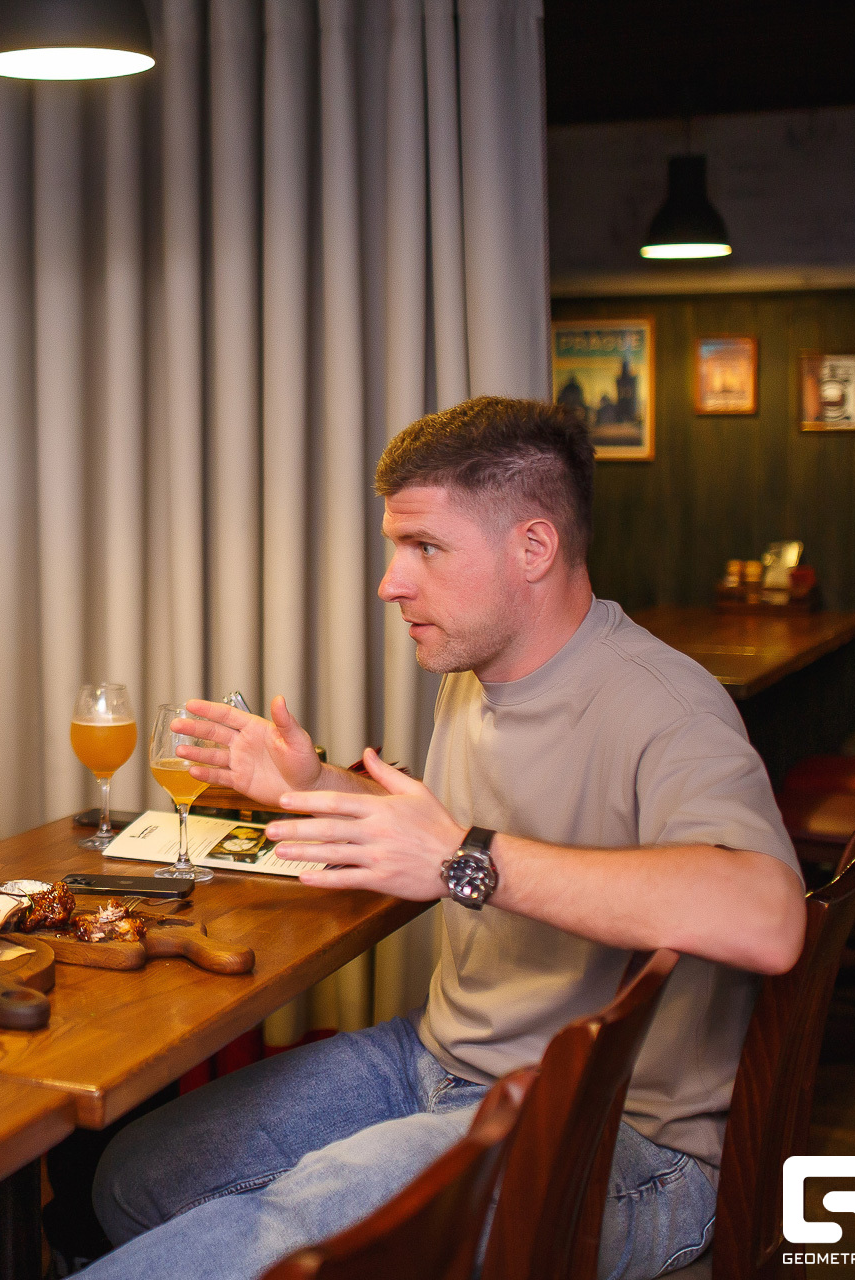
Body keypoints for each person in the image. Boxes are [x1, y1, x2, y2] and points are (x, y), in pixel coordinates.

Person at [84, 397, 807, 1280]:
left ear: (533, 548)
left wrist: (467, 860)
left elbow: (769, 919)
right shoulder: (474, 672)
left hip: (625, 1139)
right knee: (132, 1179)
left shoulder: (669, 705)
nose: (390, 583)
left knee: (267, 1239)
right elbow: (450, 833)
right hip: (440, 1059)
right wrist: (312, 785)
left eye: (424, 547)